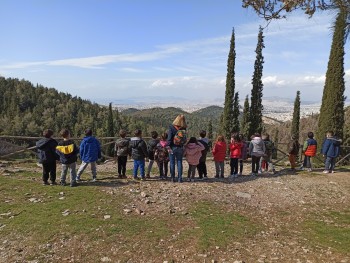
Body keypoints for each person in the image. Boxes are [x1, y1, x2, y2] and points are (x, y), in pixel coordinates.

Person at [167, 114, 187, 183]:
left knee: (172, 163)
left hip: (172, 147)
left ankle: (172, 178)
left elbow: (169, 138)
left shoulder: (171, 127)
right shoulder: (184, 128)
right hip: (180, 147)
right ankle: (180, 178)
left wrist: (168, 146)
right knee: (179, 162)